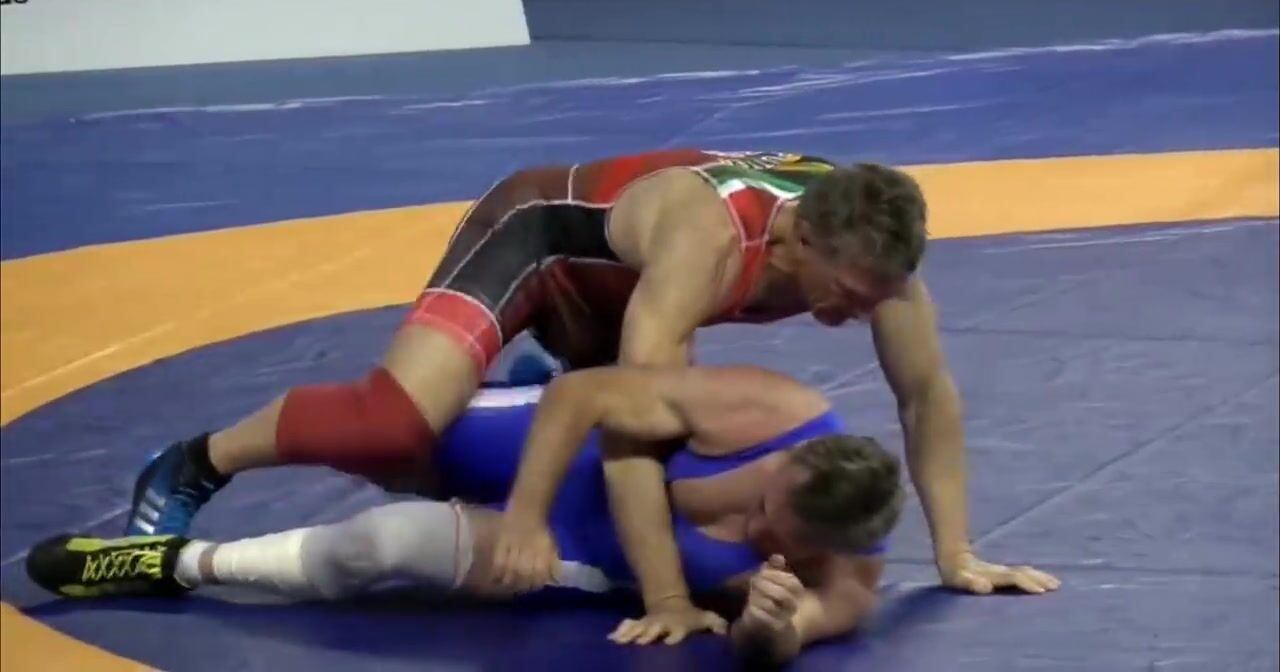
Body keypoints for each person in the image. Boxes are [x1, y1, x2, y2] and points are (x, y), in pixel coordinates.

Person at [124, 148, 1054, 640]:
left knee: (651, 408)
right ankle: (196, 461)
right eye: (842, 296)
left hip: (628, 296)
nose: (852, 316)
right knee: (393, 428)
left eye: (870, 301)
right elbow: (628, 428)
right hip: (542, 243)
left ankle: (541, 386)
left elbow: (926, 398)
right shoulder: (709, 244)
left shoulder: (873, 264)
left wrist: (956, 553)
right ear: (797, 241)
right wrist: (667, 598)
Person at [33, 365, 916, 665]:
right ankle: (201, 457)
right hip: (558, 450)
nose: (754, 512)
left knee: (379, 545)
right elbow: (582, 398)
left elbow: (783, 641)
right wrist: (526, 512)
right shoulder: (775, 415)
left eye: (772, 527)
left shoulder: (845, 576)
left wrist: (765, 626)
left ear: (820, 546)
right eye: (762, 492)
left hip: (581, 545)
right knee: (386, 429)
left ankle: (172, 564)